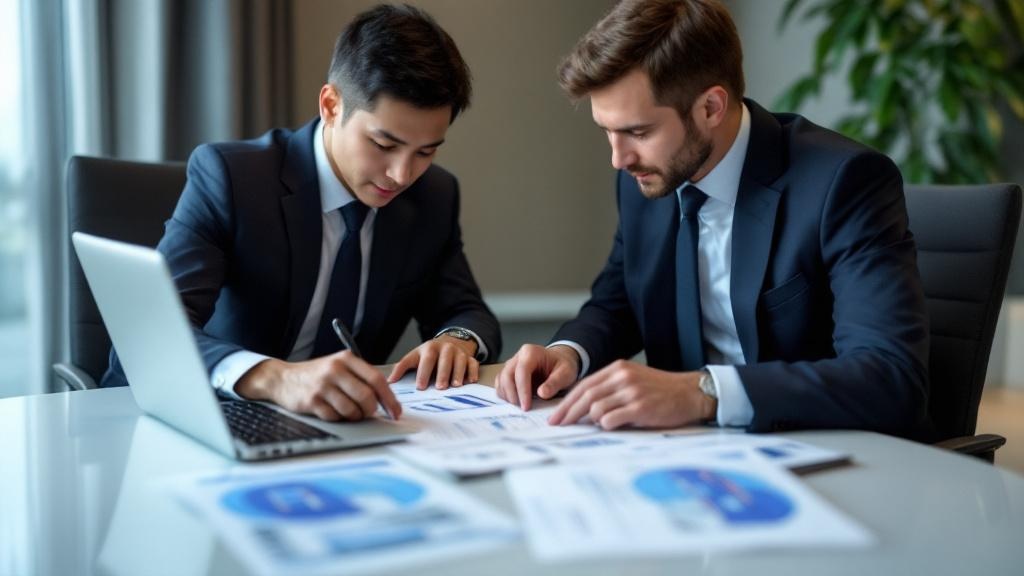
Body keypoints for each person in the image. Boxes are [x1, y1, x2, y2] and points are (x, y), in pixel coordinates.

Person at [496, 0, 929, 437]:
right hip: (685, 451)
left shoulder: (843, 183)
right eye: (608, 131)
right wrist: (570, 353)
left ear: (711, 107)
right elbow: (619, 304)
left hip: (811, 448)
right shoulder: (645, 177)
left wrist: (701, 393)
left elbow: (889, 378)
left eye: (639, 132)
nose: (618, 158)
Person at [102, 4, 502, 423]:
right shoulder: (232, 178)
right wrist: (276, 378)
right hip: (219, 418)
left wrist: (458, 341)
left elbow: (469, 312)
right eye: (383, 145)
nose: (402, 175)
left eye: (426, 151)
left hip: (346, 433)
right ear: (331, 105)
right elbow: (153, 332)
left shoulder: (433, 196)